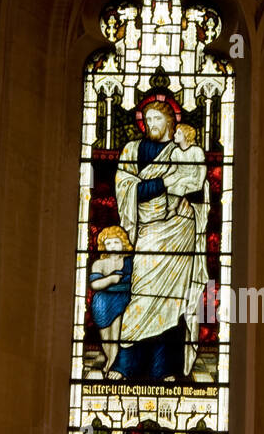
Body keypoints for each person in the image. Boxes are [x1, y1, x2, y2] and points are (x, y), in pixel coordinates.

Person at [112, 100, 208, 382]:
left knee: (173, 302)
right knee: (142, 296)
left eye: (158, 120)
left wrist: (184, 202)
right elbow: (125, 188)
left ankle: (165, 368)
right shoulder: (132, 150)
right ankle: (127, 365)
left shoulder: (184, 152)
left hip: (179, 232)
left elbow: (197, 187)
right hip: (148, 231)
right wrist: (162, 184)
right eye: (148, 120)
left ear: (171, 123)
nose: (152, 125)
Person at [88, 225, 133, 372]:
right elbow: (94, 284)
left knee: (117, 334)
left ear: (123, 242)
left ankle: (113, 363)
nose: (112, 246)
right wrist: (111, 280)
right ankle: (110, 358)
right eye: (108, 243)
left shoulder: (131, 261)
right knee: (106, 335)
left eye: (115, 242)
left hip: (123, 299)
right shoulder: (99, 263)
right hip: (102, 301)